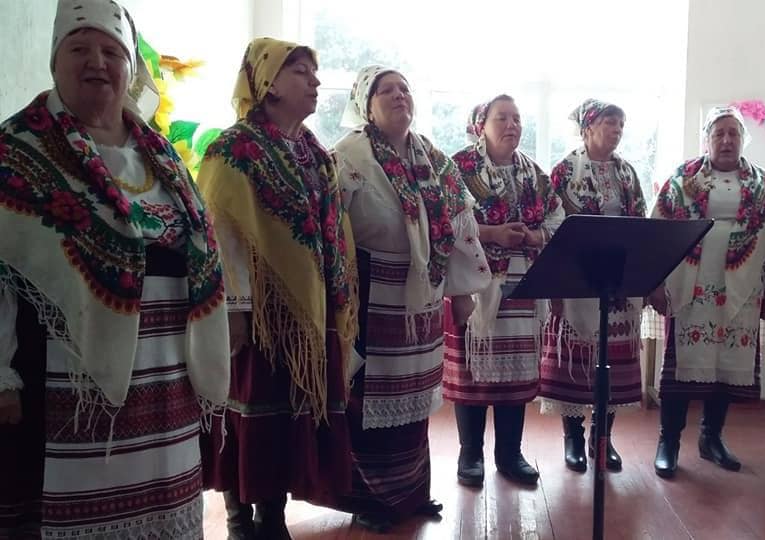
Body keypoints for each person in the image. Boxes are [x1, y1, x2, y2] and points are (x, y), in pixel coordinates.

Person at [0, 1, 229, 537]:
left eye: (112, 51)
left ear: (130, 67)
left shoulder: (161, 155)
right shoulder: (16, 150)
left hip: (168, 379)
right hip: (63, 382)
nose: (97, 63)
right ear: (55, 62)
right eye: (79, 48)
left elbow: (202, 248)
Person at [196, 38, 358, 539]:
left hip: (309, 309)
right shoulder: (233, 150)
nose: (315, 81)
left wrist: (338, 297)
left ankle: (272, 516)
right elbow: (221, 232)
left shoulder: (315, 153)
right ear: (268, 83)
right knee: (249, 411)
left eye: (314, 72)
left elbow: (333, 232)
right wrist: (235, 309)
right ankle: (239, 519)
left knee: (288, 416)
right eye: (301, 72)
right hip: (256, 313)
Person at [332, 65, 490, 532]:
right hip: (371, 291)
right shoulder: (348, 156)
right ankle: (368, 498)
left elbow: (461, 223)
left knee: (417, 397)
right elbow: (329, 227)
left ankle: (412, 492)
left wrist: (463, 292)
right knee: (368, 398)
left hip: (424, 296)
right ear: (366, 105)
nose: (399, 95)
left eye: (404, 88)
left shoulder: (433, 160)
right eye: (387, 90)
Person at [648, 105, 765, 479]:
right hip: (689, 291)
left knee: (725, 369)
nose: (726, 140)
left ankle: (712, 438)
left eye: (733, 133)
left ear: (743, 139)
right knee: (680, 373)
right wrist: (655, 284)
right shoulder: (683, 180)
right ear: (706, 139)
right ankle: (668, 442)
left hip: (742, 293)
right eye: (719, 133)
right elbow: (656, 230)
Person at [444, 96, 564, 487]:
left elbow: (557, 216)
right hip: (473, 284)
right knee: (472, 372)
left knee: (516, 376)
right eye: (502, 118)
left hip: (523, 283)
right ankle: (470, 454)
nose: (512, 125)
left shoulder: (534, 173)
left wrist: (534, 236)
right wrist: (492, 233)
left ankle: (510, 454)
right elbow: (445, 219)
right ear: (481, 125)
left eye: (517, 118)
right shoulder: (458, 168)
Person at [539, 99, 647, 473]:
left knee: (611, 361)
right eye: (609, 122)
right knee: (575, 359)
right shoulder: (564, 171)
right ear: (587, 129)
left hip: (617, 280)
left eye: (621, 124)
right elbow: (552, 227)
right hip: (576, 277)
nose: (617, 130)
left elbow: (640, 223)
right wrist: (555, 285)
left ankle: (602, 437)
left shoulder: (627, 173)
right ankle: (572, 438)